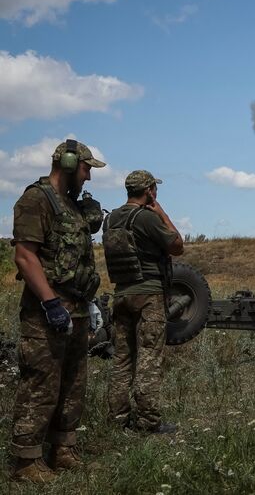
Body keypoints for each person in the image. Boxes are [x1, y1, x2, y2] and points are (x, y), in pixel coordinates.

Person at [9, 139, 106, 482]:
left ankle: (63, 449)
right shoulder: (36, 200)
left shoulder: (71, 206)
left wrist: (88, 302)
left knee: (73, 382)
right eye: (85, 169)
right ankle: (26, 461)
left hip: (77, 308)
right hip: (46, 312)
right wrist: (50, 302)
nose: (88, 178)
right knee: (41, 384)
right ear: (67, 164)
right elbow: (25, 255)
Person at [103, 170, 183, 435]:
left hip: (122, 295)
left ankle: (117, 419)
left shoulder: (111, 219)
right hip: (149, 295)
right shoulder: (147, 217)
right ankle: (148, 422)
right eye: (154, 190)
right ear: (149, 191)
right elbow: (177, 245)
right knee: (149, 358)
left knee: (122, 360)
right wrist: (161, 211)